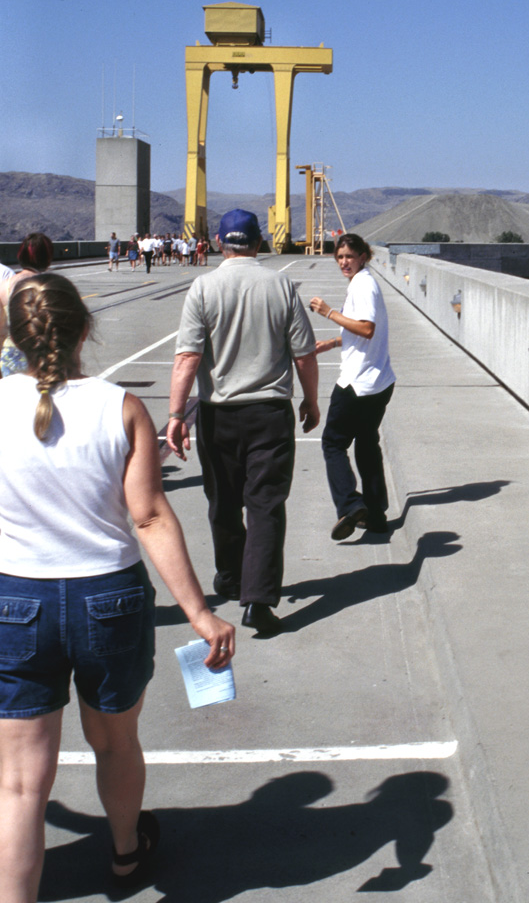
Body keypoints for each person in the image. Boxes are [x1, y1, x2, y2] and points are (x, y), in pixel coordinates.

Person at [0, 273, 234, 903]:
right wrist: (201, 613)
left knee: (21, 783)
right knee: (115, 741)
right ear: (85, 329)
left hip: (16, 600)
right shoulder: (120, 407)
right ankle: (127, 854)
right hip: (109, 599)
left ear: (14, 337)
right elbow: (151, 516)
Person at [166, 209, 320, 635]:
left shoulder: (203, 287)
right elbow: (304, 355)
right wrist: (310, 400)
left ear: (219, 242)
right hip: (269, 413)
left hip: (217, 414)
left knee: (223, 502)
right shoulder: (281, 285)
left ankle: (231, 577)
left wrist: (176, 415)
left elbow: (187, 358)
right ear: (259, 242)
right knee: (266, 505)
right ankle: (258, 600)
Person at [309, 234, 396, 540]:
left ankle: (350, 504)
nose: (344, 262)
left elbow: (367, 328)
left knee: (333, 444)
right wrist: (333, 342)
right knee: (367, 445)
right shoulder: (364, 281)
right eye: (340, 257)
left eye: (349, 256)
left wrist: (328, 312)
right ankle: (376, 516)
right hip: (379, 382)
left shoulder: (363, 284)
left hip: (357, 383)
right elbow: (361, 330)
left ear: (363, 256)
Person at [0, 233, 54, 378]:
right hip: (38, 356)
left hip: (9, 356)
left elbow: (0, 331)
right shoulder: (47, 285)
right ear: (47, 258)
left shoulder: (4, 286)